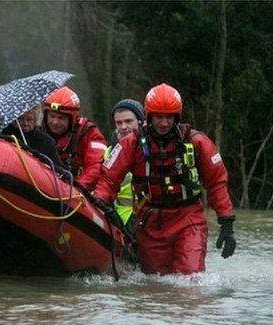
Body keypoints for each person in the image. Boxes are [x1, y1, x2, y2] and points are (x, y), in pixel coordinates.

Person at [94, 83, 236, 275]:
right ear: (149, 116)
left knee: (190, 277)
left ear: (176, 117)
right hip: (151, 221)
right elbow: (108, 180)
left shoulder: (196, 142)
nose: (163, 123)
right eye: (159, 117)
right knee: (156, 282)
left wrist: (226, 222)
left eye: (169, 117)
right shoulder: (131, 144)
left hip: (188, 217)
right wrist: (99, 205)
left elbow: (217, 181)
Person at [43, 86, 107, 191]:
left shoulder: (90, 134)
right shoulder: (40, 133)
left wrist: (76, 189)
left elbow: (96, 166)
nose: (55, 122)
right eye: (52, 116)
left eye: (61, 118)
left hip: (77, 190)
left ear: (72, 119)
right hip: (46, 186)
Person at [106, 99, 145, 231]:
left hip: (147, 215)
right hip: (117, 218)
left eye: (128, 121)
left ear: (140, 121)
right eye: (119, 123)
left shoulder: (151, 149)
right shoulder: (109, 153)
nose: (123, 127)